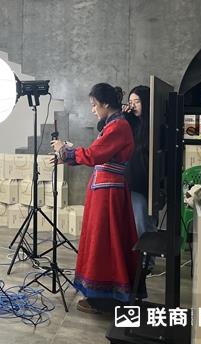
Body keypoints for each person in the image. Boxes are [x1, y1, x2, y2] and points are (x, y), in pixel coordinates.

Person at [51, 83, 138, 313]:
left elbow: (93, 155)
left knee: (104, 242)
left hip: (108, 192)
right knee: (103, 239)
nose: (93, 110)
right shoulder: (114, 124)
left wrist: (64, 149)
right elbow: (95, 155)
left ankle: (104, 298)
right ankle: (103, 295)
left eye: (94, 105)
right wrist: (66, 156)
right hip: (105, 188)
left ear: (105, 103)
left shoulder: (118, 126)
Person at [122, 85, 157, 270]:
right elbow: (102, 126)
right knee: (137, 222)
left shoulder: (155, 125)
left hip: (147, 183)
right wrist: (124, 116)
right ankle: (140, 262)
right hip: (132, 180)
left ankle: (147, 263)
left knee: (144, 222)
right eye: (131, 101)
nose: (133, 105)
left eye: (137, 101)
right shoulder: (130, 123)